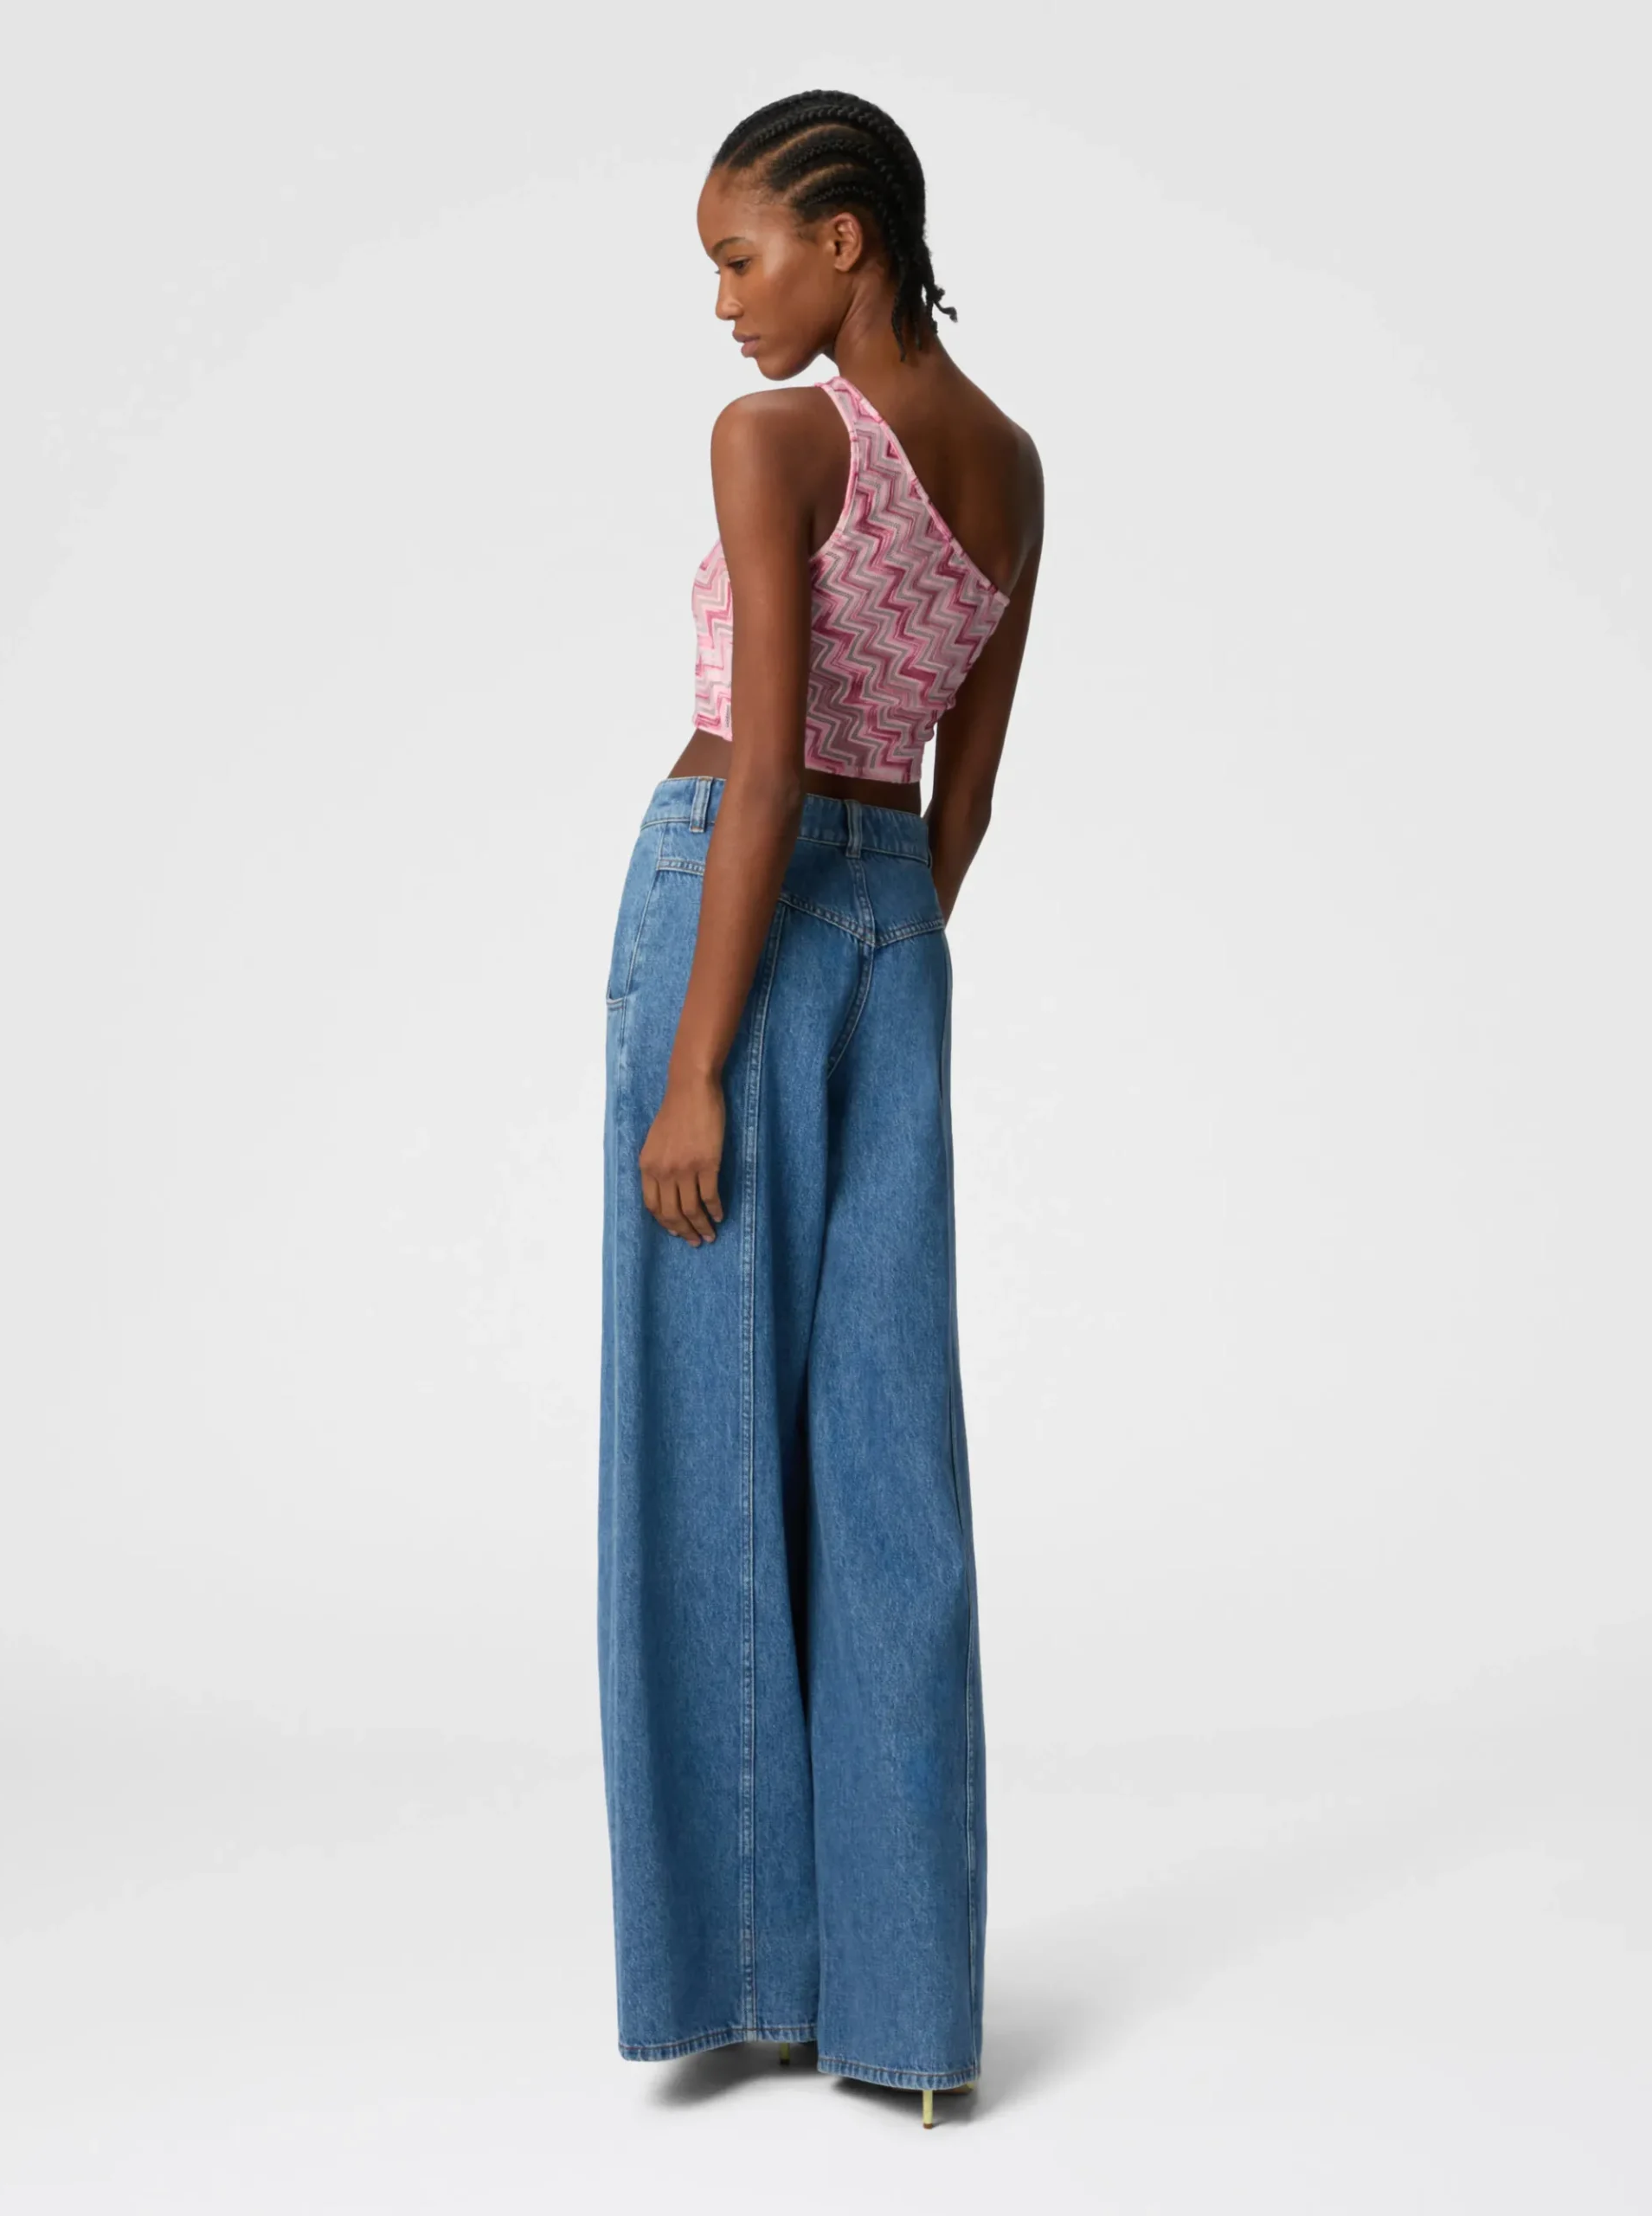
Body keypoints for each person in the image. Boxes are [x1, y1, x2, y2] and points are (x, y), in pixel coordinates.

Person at [597, 87, 1043, 2126]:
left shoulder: (776, 437)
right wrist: (883, 952)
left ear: (845, 236)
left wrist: (702, 1059)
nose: (724, 303)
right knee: (889, 1461)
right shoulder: (1012, 462)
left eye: (741, 254)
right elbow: (965, 792)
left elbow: (763, 764)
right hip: (894, 938)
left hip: (737, 900)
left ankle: (745, 1970)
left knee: (702, 1439)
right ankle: (909, 2017)